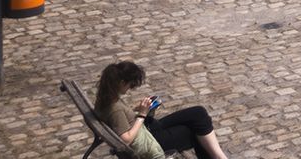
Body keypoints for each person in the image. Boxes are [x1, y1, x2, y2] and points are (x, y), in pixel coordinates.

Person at [91, 60, 230, 159]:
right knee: (194, 130)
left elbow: (121, 120)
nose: (130, 88)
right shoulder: (114, 108)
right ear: (122, 82)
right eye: (130, 84)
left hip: (148, 129)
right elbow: (125, 140)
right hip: (150, 139)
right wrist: (142, 115)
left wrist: (139, 109)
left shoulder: (106, 96)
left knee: (198, 113)